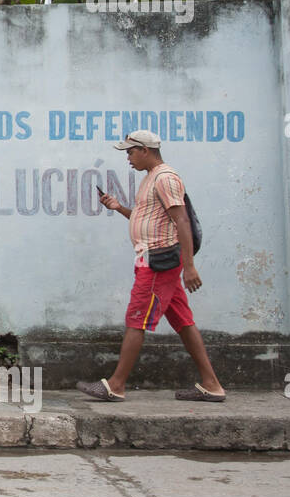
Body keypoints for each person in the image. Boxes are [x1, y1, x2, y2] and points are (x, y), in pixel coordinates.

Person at [78, 130, 226, 402]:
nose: (128, 158)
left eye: (130, 152)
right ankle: (212, 384)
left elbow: (181, 221)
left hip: (158, 263)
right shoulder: (151, 179)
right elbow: (147, 219)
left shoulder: (165, 178)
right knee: (183, 321)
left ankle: (116, 385)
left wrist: (190, 266)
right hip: (155, 260)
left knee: (137, 319)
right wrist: (119, 207)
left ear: (145, 150)